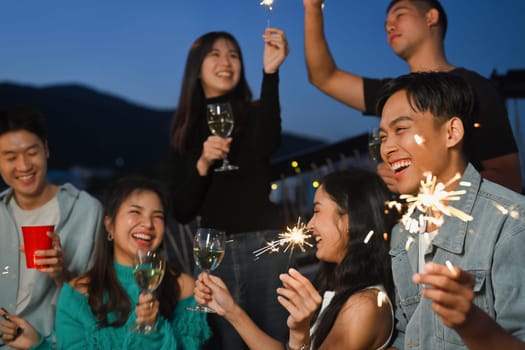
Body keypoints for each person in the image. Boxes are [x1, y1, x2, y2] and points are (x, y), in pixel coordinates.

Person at [302, 0, 522, 193]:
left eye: (400, 14)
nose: (389, 26)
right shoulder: (394, 96)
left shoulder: (474, 88)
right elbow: (325, 77)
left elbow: (509, 179)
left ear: (431, 17)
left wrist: (432, 185)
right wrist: (312, 7)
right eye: (386, 23)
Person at [160, 28, 290, 349]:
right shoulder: (185, 130)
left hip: (266, 245)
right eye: (215, 54)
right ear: (197, 66)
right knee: (225, 343)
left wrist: (270, 73)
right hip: (212, 252)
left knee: (278, 338)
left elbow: (269, 142)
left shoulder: (255, 113)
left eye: (234, 55)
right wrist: (203, 164)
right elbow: (182, 209)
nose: (226, 61)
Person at [377, 71, 525, 349]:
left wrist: (471, 323)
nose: (387, 148)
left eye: (401, 130)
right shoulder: (403, 234)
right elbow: (406, 335)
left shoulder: (512, 226)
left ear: (451, 132)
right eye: (383, 136)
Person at [194, 168, 399, 350]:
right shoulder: (339, 290)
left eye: (317, 210)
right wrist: (231, 310)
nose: (309, 225)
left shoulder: (363, 306)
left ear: (350, 219)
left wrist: (299, 334)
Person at [53, 176, 210, 349]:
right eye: (136, 212)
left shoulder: (184, 288)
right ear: (109, 225)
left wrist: (152, 330)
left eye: (157, 216)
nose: (148, 224)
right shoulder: (77, 295)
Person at [0, 106, 102, 348]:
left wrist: (62, 275)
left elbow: (100, 302)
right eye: (10, 157)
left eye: (31, 152)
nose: (23, 166)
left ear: (46, 149)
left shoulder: (87, 211)